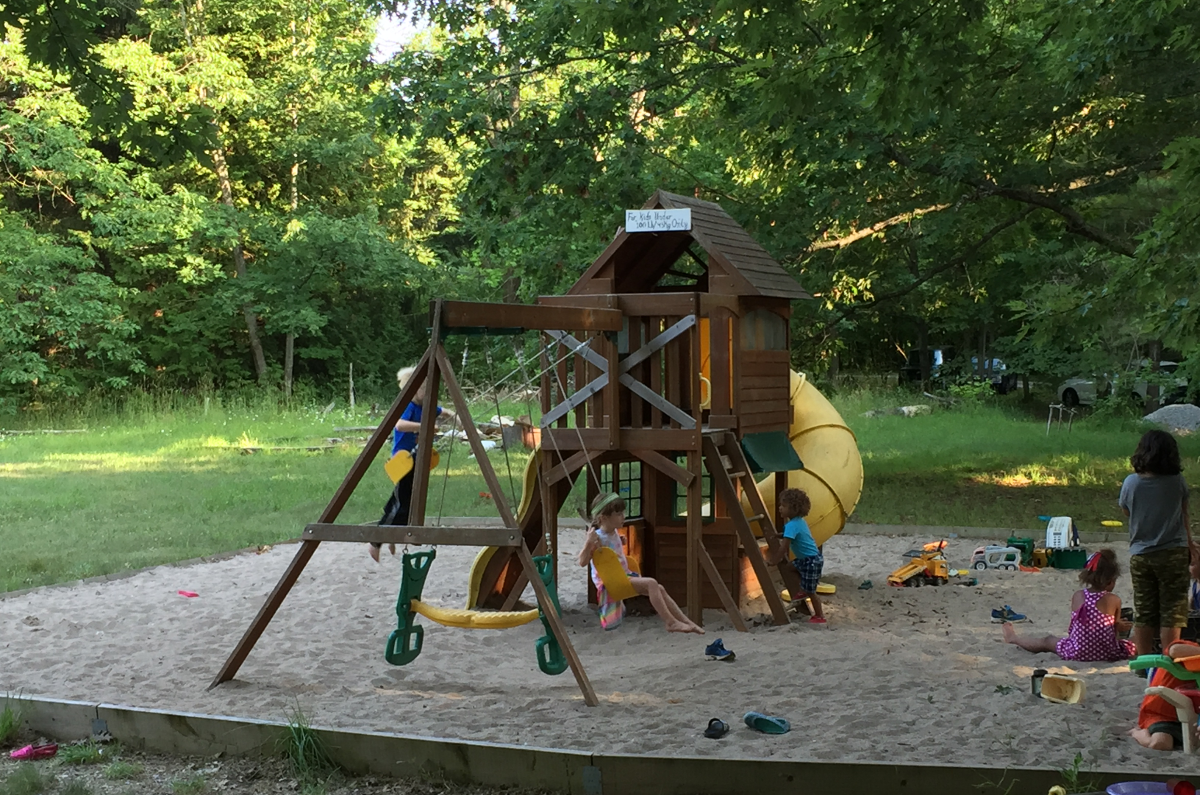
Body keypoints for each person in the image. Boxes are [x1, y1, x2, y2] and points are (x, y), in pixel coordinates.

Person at [577, 492, 704, 634]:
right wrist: (588, 543)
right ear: (603, 518)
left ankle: (686, 622)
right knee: (652, 583)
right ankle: (670, 622)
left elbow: (613, 547)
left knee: (659, 588)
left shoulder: (613, 533)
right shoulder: (597, 538)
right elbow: (582, 562)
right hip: (611, 583)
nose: (623, 516)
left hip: (623, 576)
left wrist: (621, 540)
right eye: (618, 514)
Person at [1120, 429, 1195, 656]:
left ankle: (1143, 663)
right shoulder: (1177, 482)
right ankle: (1168, 659)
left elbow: (1126, 511)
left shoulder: (1131, 482)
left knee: (1144, 610)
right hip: (1174, 552)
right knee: (1172, 610)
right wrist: (1191, 545)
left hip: (1141, 554)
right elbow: (1184, 514)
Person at [370, 365, 456, 562]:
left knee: (408, 501)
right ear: (415, 389)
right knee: (400, 503)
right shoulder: (408, 406)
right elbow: (399, 425)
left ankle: (392, 536)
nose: (428, 394)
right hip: (402, 460)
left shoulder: (425, 405)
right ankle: (375, 542)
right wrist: (424, 426)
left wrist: (456, 418)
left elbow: (443, 411)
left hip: (416, 459)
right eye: (426, 390)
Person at [1001, 549, 1135, 661]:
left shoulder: (1078, 596)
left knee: (1047, 641)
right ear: (1111, 581)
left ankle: (1014, 638)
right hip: (1107, 654)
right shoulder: (1114, 599)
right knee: (1136, 640)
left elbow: (1075, 627)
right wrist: (1120, 626)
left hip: (1076, 652)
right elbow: (1114, 633)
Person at [768, 487, 825, 624]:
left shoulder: (791, 525)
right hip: (806, 559)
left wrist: (774, 560)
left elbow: (784, 547)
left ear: (794, 509)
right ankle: (803, 588)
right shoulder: (798, 522)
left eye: (784, 506)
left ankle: (819, 616)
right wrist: (779, 535)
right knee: (789, 567)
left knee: (812, 592)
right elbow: (792, 536)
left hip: (811, 561)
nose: (780, 508)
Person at [1129, 639, 1200, 751]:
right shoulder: (1191, 647)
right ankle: (1137, 733)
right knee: (1160, 744)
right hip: (1164, 714)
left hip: (1193, 714)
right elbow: (1175, 649)